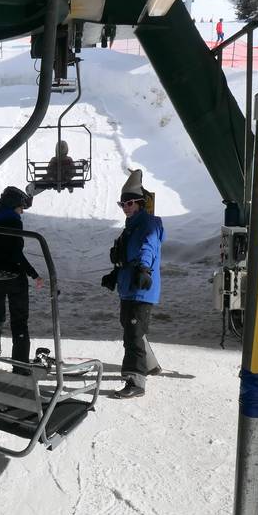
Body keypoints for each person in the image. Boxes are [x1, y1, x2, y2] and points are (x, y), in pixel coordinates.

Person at [100, 170, 165, 399]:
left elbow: (148, 247)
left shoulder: (148, 224)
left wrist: (145, 269)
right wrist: (114, 274)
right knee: (131, 328)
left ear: (139, 203)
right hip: (128, 286)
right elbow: (124, 257)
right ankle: (150, 365)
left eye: (129, 203)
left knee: (133, 334)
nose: (125, 207)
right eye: (122, 204)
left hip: (142, 287)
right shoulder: (130, 227)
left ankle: (135, 381)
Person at [0, 186, 44, 370]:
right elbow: (16, 254)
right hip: (15, 277)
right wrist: (34, 274)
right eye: (21, 207)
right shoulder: (14, 222)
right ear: (13, 205)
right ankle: (20, 364)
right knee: (19, 320)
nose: (22, 212)